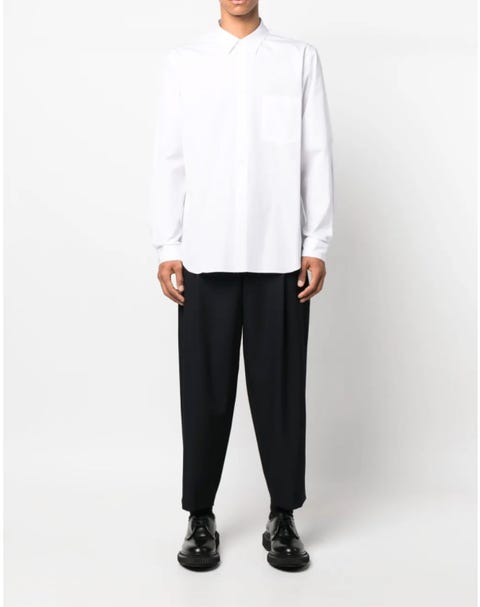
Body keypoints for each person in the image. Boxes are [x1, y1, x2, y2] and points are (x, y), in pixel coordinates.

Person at [149, 0, 333, 571]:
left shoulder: (297, 59)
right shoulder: (185, 62)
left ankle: (284, 515)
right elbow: (170, 157)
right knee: (204, 391)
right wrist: (169, 246)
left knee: (281, 391)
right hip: (206, 254)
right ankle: (199, 516)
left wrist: (317, 241)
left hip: (279, 255)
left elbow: (315, 152)